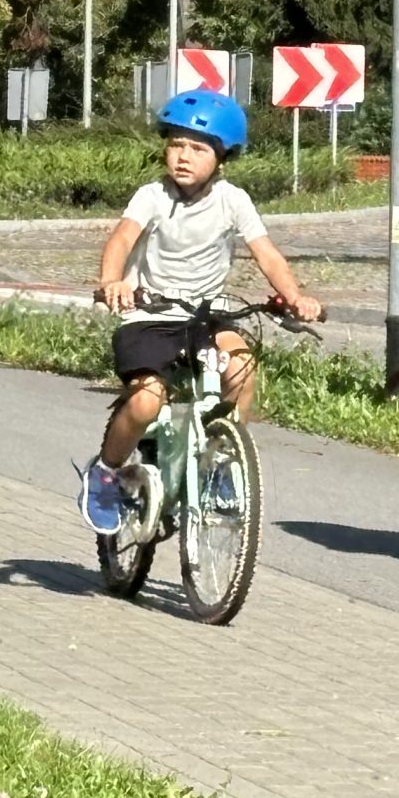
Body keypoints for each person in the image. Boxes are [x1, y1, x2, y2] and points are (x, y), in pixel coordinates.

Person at [80, 89, 324, 535]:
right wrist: (112, 281)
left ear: (222, 156)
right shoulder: (151, 196)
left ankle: (219, 464)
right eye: (176, 144)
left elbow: (267, 254)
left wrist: (294, 296)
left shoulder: (234, 200)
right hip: (149, 316)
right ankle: (106, 473)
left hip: (206, 318)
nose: (183, 157)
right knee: (146, 400)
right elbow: (121, 239)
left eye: (198, 148)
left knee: (242, 368)